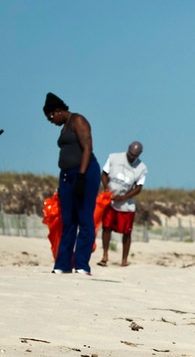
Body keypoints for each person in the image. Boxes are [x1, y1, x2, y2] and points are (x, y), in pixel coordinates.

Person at [44, 92, 101, 275]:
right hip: (67, 176)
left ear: (59, 111)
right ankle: (62, 264)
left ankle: (82, 264)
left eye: (51, 116)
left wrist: (82, 176)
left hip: (84, 172)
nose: (51, 121)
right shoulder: (64, 127)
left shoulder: (78, 120)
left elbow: (87, 148)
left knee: (84, 219)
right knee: (68, 221)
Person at [99, 141, 148, 267]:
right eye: (130, 154)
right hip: (110, 200)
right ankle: (105, 255)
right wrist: (107, 190)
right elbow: (104, 174)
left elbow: (138, 188)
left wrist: (124, 197)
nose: (132, 157)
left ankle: (124, 259)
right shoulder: (114, 158)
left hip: (126, 204)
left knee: (127, 232)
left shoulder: (142, 168)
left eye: (135, 156)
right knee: (107, 227)